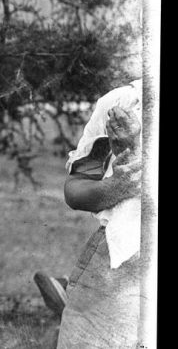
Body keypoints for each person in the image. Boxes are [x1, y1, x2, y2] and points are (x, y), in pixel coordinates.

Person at [55, 79, 144, 349]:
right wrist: (115, 186)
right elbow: (76, 188)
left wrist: (135, 153)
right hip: (117, 261)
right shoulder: (122, 103)